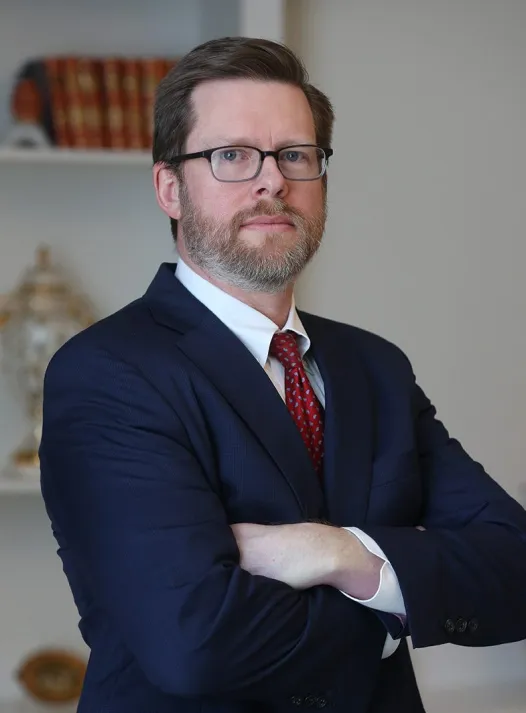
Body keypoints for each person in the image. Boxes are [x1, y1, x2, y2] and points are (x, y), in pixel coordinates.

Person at [39, 36, 526, 713]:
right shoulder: (108, 371)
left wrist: (339, 554)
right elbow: (197, 642)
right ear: (169, 187)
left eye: (295, 154)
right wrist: (396, 600)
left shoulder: (375, 366)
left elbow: (515, 569)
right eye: (232, 155)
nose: (272, 180)